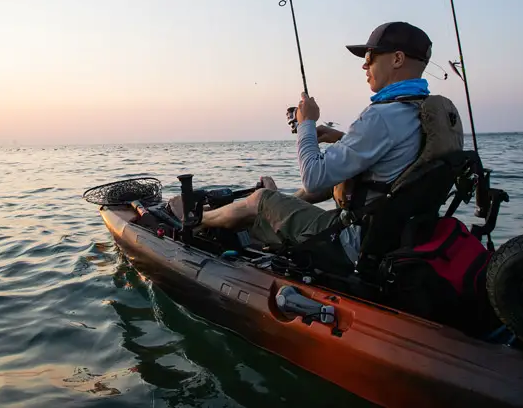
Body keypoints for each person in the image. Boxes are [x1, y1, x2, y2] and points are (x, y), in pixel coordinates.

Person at [176, 21, 435, 266]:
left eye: (369, 59)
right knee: (331, 181)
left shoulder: (381, 115)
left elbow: (313, 177)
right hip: (399, 234)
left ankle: (198, 219)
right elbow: (398, 159)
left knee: (260, 199)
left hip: (356, 243)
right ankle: (279, 205)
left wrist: (306, 125)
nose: (364, 67)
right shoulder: (427, 113)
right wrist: (342, 138)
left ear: (398, 59)